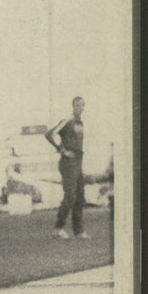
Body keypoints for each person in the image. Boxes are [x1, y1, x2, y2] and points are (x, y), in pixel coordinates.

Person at [45, 96, 88, 240]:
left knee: (80, 197)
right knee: (70, 196)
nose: (80, 108)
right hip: (67, 164)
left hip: (78, 162)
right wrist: (61, 150)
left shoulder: (80, 123)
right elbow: (49, 134)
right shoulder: (67, 120)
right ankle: (58, 229)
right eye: (77, 105)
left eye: (82, 105)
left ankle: (79, 231)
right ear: (73, 106)